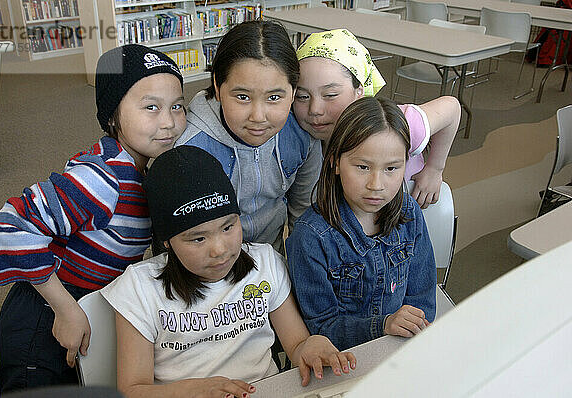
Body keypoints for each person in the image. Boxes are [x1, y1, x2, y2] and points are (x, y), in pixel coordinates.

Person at [0, 44, 187, 392]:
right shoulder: (102, 177)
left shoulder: (145, 170)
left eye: (177, 107)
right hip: (43, 310)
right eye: (151, 107)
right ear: (112, 116)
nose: (168, 122)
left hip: (83, 302)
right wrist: (65, 309)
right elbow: (12, 226)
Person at [101, 146, 356, 398]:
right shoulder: (139, 288)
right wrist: (193, 390)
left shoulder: (264, 263)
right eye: (198, 239)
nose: (219, 250)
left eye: (228, 227)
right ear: (167, 241)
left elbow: (297, 344)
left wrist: (314, 345)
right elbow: (132, 390)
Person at [286, 96, 437, 352]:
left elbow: (422, 298)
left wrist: (410, 328)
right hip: (343, 359)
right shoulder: (310, 237)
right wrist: (383, 325)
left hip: (400, 350)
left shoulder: (409, 213)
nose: (376, 185)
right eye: (363, 167)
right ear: (334, 161)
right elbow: (321, 328)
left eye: (391, 168)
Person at [175, 20, 322, 252]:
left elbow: (304, 216)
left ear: (293, 92)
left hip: (273, 259)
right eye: (242, 97)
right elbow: (184, 240)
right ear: (217, 85)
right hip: (211, 267)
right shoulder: (190, 150)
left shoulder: (301, 135)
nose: (258, 116)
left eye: (274, 97)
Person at [293, 29, 460, 209]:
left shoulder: (392, 127)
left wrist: (434, 169)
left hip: (404, 219)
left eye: (331, 94)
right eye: (302, 96)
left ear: (360, 91)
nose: (315, 110)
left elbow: (452, 108)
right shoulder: (297, 136)